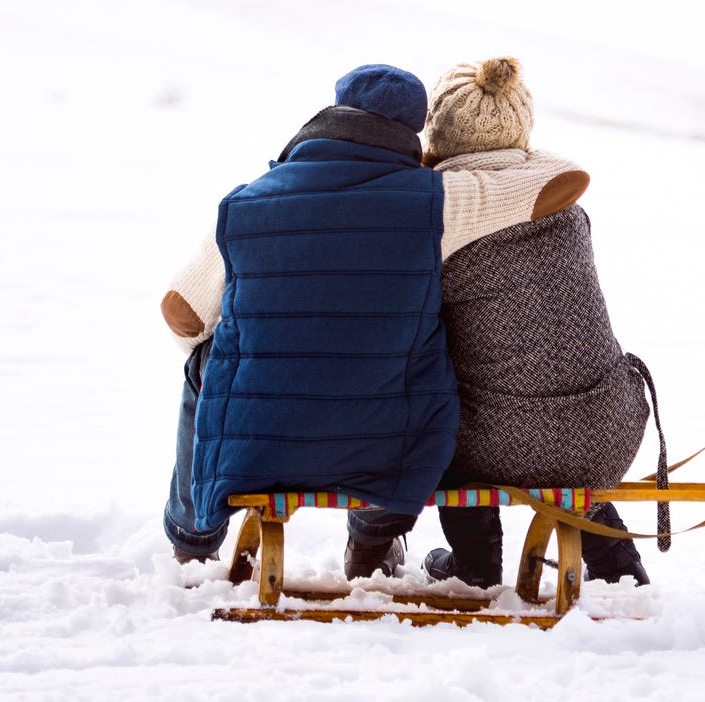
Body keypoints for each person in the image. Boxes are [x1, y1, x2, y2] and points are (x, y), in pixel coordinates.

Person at [157, 62, 590, 578]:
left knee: (204, 368)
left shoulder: (249, 203)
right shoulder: (439, 203)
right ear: (413, 135)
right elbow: (566, 181)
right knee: (406, 356)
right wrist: (442, 165)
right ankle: (370, 548)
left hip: (260, 440)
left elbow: (180, 313)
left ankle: (193, 539)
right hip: (388, 449)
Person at [385, 56, 655, 590]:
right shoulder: (567, 206)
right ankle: (619, 570)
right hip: (609, 428)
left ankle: (475, 568)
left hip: (494, 442)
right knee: (562, 432)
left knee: (450, 419)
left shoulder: (437, 218)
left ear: (437, 135)